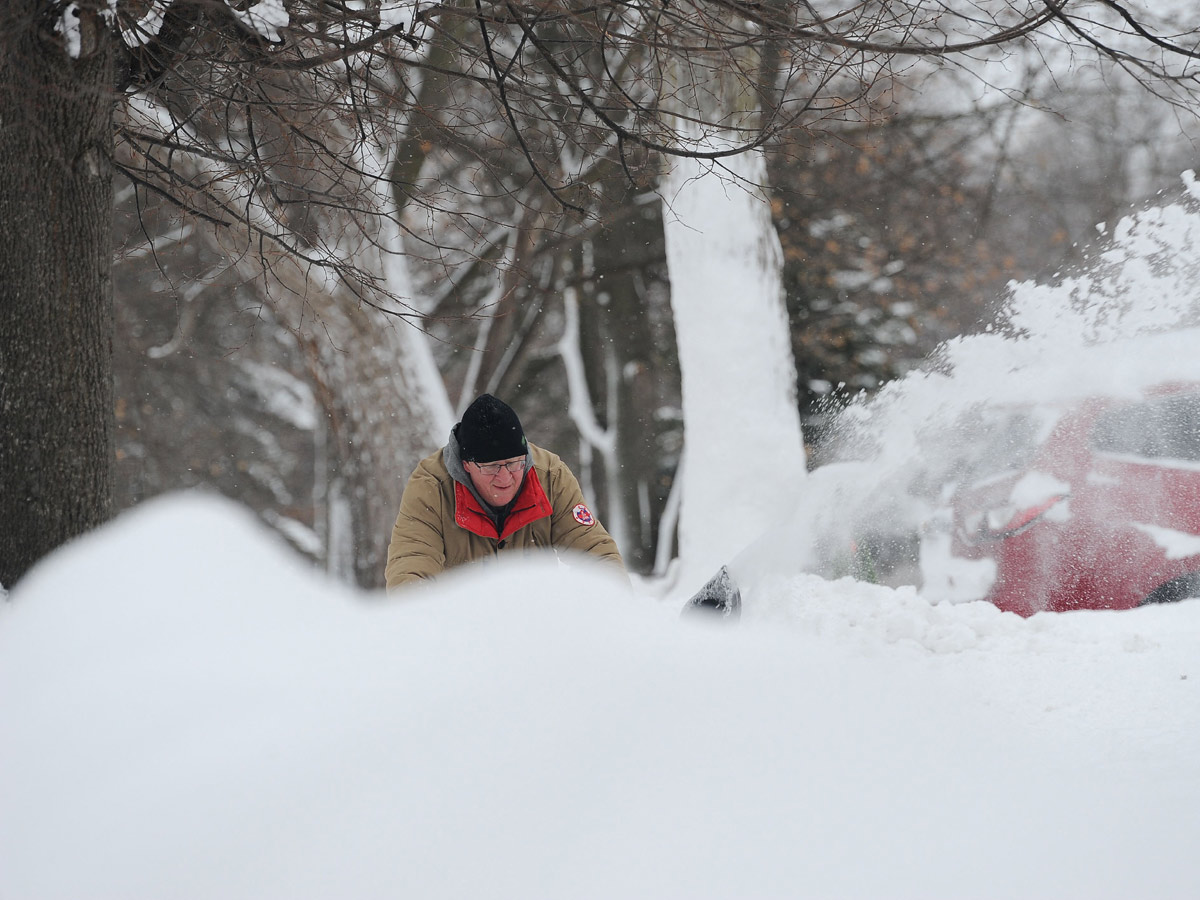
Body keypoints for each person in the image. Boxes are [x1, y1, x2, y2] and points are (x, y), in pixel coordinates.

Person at [385, 393, 626, 590]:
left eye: (514, 463)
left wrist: (614, 609)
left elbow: (596, 553)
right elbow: (410, 568)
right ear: (466, 465)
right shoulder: (431, 488)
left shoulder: (550, 477)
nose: (505, 477)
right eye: (491, 467)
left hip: (538, 624)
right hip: (460, 629)